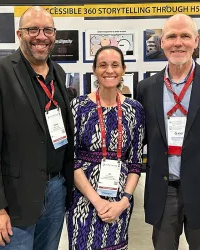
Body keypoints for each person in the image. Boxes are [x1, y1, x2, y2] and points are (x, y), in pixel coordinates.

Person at [0, 6, 74, 250]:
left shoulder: (59, 73)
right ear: (19, 34)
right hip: (15, 199)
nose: (41, 36)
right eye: (33, 29)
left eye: (48, 30)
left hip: (56, 191)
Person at [137, 13, 200, 250]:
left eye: (185, 36)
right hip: (163, 192)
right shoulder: (146, 89)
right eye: (171, 37)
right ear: (162, 43)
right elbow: (139, 140)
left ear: (196, 41)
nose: (178, 42)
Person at [67, 45, 145, 250]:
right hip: (83, 199)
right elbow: (70, 159)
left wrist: (125, 201)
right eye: (102, 65)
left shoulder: (134, 109)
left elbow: (135, 162)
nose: (109, 70)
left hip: (120, 200)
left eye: (115, 65)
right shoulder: (79, 106)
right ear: (94, 70)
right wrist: (97, 201)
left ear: (123, 69)